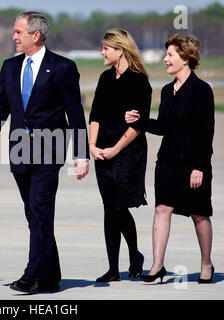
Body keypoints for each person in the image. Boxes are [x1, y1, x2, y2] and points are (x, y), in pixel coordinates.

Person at [0, 11, 89, 294]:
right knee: (34, 215)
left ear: (35, 35)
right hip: (19, 151)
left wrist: (81, 155)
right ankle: (51, 276)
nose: (13, 37)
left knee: (40, 211)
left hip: (49, 151)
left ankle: (31, 274)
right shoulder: (10, 67)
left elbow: (75, 113)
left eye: (18, 32)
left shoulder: (62, 67)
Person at [125, 34, 215, 284]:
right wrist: (140, 121)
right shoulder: (166, 90)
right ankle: (157, 266)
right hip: (167, 162)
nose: (165, 59)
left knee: (199, 214)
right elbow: (163, 126)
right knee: (162, 209)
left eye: (170, 55)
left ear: (185, 58)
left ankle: (206, 263)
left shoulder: (201, 91)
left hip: (193, 163)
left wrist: (199, 167)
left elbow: (206, 132)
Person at [88, 29, 152, 282]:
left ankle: (135, 255)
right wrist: (92, 146)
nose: (101, 52)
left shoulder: (139, 81)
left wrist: (115, 149)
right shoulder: (105, 78)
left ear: (119, 50)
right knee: (109, 208)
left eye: (105, 48)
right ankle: (113, 268)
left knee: (118, 205)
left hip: (128, 152)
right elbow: (95, 115)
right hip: (102, 149)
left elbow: (138, 124)